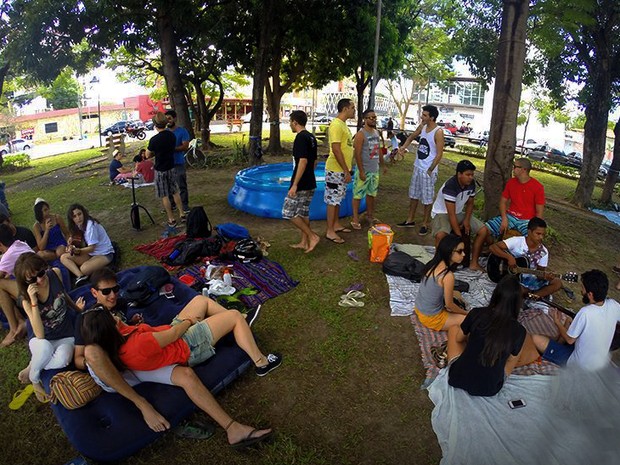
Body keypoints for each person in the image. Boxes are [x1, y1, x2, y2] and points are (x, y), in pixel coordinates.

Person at [446, 275, 540, 396]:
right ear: (518, 303)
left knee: (454, 329)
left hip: (458, 378)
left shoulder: (476, 313)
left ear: (495, 294)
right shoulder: (519, 331)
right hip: (490, 388)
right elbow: (511, 361)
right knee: (516, 353)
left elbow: (459, 339)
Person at [14, 253, 85, 401]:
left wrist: (77, 310)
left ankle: (34, 363)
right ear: (26, 282)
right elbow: (39, 335)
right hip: (42, 339)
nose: (40, 280)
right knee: (45, 348)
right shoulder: (26, 300)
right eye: (33, 279)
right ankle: (34, 378)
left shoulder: (55, 274)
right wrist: (34, 301)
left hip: (65, 333)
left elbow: (63, 295)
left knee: (65, 359)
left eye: (41, 273)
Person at [532, 270, 620, 371]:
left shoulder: (586, 312)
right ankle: (557, 345)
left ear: (590, 294)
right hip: (600, 363)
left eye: (582, 288)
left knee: (535, 338)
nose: (581, 291)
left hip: (578, 365)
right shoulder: (614, 305)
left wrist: (556, 321)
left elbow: (570, 340)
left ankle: (553, 351)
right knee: (568, 323)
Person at [470, 157, 545, 271]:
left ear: (523, 169)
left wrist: (535, 228)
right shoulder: (511, 182)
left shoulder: (537, 187)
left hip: (527, 220)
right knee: (484, 230)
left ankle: (525, 268)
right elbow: (503, 202)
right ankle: (474, 262)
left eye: (515, 167)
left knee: (533, 239)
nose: (513, 169)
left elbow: (539, 212)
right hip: (510, 216)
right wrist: (504, 218)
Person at [396, 104, 445, 236]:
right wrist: (403, 147)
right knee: (414, 195)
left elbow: (439, 154)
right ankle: (410, 220)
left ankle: (425, 223)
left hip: (428, 170)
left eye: (424, 115)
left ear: (432, 117)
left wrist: (430, 169)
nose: (422, 117)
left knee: (427, 198)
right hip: (418, 167)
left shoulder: (438, 132)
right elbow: (412, 137)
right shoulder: (422, 126)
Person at [488, 217, 562, 298]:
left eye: (543, 235)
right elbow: (493, 247)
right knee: (519, 289)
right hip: (512, 279)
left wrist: (545, 276)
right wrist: (509, 257)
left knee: (557, 282)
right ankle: (529, 295)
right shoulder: (517, 241)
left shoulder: (543, 252)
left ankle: (532, 296)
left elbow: (539, 274)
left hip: (529, 278)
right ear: (529, 232)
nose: (541, 237)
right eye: (538, 234)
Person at [282, 110, 320, 253]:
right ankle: (304, 242)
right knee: (303, 213)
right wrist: (308, 174)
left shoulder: (300, 138)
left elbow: (302, 161)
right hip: (310, 180)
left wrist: (295, 184)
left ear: (295, 122)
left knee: (288, 212)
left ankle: (312, 236)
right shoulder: (311, 137)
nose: (290, 125)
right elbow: (314, 161)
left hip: (302, 182)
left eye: (290, 122)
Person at [415, 234, 468, 331]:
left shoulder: (432, 263)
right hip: (432, 318)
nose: (464, 254)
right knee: (468, 320)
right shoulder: (447, 276)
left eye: (464, 251)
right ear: (448, 251)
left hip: (419, 309)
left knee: (456, 293)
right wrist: (467, 313)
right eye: (460, 251)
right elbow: (449, 305)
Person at [430, 159, 483, 248]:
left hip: (458, 213)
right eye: (468, 175)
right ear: (459, 174)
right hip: (441, 213)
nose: (471, 177)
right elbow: (451, 214)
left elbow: (470, 203)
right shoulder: (450, 186)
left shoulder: (471, 183)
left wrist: (466, 220)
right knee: (441, 235)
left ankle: (473, 261)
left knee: (483, 231)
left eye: (472, 175)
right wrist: (459, 236)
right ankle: (439, 260)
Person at [324, 98, 356, 244]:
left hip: (342, 170)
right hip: (335, 170)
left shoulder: (343, 125)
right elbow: (336, 149)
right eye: (352, 107)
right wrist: (345, 170)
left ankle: (335, 224)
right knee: (332, 200)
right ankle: (330, 231)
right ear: (345, 109)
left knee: (338, 199)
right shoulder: (336, 125)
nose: (354, 110)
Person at [60, 204, 114, 286]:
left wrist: (77, 251)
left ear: (84, 213)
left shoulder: (90, 226)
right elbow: (78, 242)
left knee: (84, 268)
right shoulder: (77, 225)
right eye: (74, 216)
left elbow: (92, 248)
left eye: (79, 214)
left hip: (104, 254)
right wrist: (71, 244)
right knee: (64, 257)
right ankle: (81, 277)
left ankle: (84, 273)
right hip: (91, 254)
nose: (78, 218)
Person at [146, 112, 185, 228]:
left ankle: (171, 219)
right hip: (171, 167)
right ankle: (182, 214)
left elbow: (148, 155)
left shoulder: (154, 140)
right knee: (175, 192)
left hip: (160, 170)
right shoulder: (171, 136)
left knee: (164, 195)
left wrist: (155, 152)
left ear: (155, 125)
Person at [350, 109, 386, 230]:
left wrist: (383, 165)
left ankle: (370, 215)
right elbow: (357, 154)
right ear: (365, 119)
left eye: (374, 117)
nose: (373, 119)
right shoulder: (361, 134)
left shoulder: (376, 133)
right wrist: (361, 171)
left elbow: (379, 150)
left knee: (372, 194)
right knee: (358, 195)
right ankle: (355, 219)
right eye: (370, 118)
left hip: (374, 170)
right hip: (364, 170)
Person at [0, 224, 35, 347]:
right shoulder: (20, 244)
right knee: (5, 285)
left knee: (0, 286)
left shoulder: (7, 256)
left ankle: (14, 328)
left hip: (36, 290)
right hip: (43, 282)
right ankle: (20, 321)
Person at [165, 110, 191, 215]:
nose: (168, 121)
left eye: (170, 118)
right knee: (168, 186)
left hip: (179, 162)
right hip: (167, 164)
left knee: (181, 185)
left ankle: (185, 205)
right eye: (166, 119)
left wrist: (171, 149)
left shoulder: (182, 131)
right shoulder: (164, 132)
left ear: (175, 119)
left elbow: (185, 146)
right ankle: (172, 204)